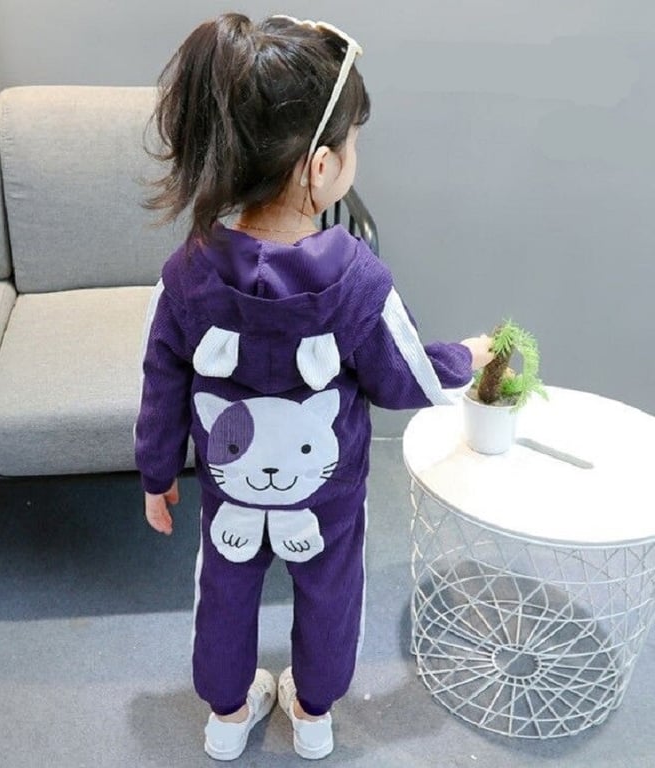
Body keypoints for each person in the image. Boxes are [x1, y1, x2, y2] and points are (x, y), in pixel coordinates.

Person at [134, 12, 493, 761]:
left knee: (223, 590)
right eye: (353, 142)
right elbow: (404, 375)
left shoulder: (188, 273)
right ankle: (315, 715)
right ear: (320, 167)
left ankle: (226, 717)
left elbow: (161, 379)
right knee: (331, 590)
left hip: (232, 492)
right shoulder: (359, 282)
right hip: (326, 496)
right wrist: (468, 358)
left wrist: (157, 473)